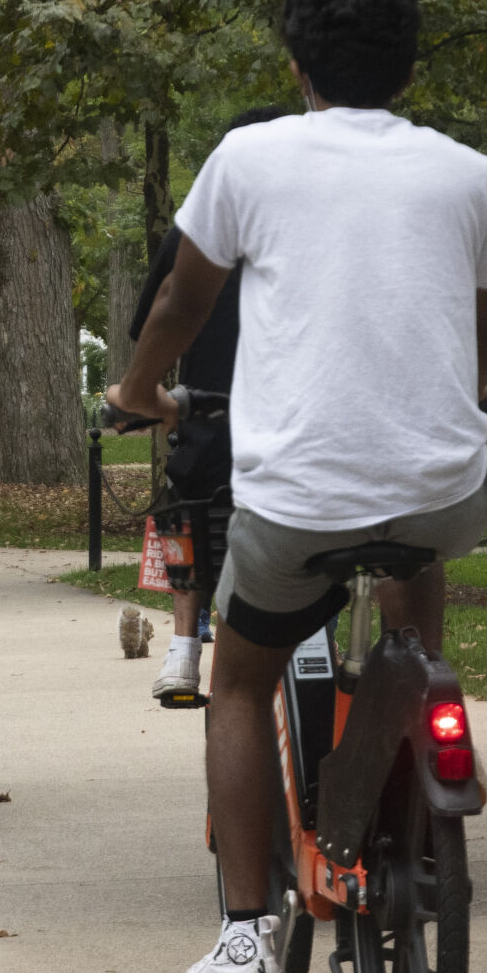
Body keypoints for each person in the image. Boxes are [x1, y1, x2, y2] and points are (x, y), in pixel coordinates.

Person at [107, 0, 487, 973]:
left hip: (296, 499)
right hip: (443, 483)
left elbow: (179, 296)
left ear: (293, 62)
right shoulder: (469, 172)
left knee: (238, 680)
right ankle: (427, 727)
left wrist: (137, 387)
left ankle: (246, 934)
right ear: (407, 65)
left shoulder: (249, 156)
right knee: (415, 572)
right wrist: (472, 391)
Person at [130, 105, 288, 701]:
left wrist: (141, 395)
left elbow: (153, 321)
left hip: (213, 418)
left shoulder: (199, 229)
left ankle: (183, 648)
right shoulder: (317, 227)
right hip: (304, 426)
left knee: (184, 508)